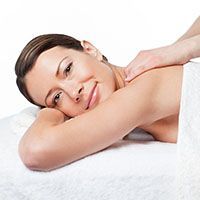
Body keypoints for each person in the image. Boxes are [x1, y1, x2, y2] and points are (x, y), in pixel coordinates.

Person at [15, 16, 200, 172]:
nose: (74, 92)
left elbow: (35, 151)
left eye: (68, 69)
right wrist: (182, 44)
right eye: (57, 97)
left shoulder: (136, 93)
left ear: (90, 50)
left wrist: (48, 112)